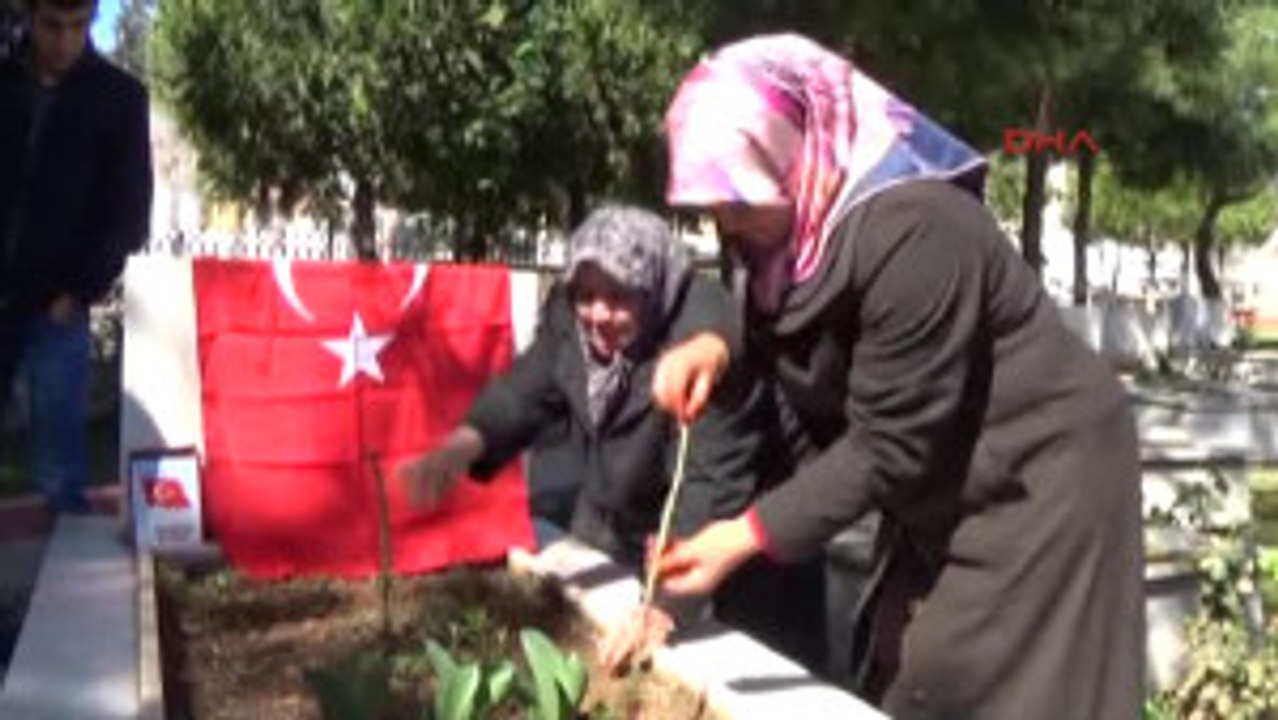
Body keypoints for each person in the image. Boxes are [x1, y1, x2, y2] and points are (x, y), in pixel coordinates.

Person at [648, 34, 1145, 719]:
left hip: (1040, 478)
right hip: (942, 474)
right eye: (710, 204)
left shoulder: (920, 232)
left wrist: (738, 539)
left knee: (985, 681)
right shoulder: (786, 239)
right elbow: (788, 324)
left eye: (737, 198)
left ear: (794, 154)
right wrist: (717, 346)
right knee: (900, 662)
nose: (723, 220)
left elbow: (889, 443)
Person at [398, 204, 826, 674]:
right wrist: (464, 445)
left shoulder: (703, 334)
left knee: (759, 660)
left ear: (652, 288)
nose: (598, 313)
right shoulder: (570, 316)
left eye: (619, 296)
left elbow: (710, 480)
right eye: (586, 294)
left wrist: (663, 606)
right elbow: (530, 385)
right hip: (628, 503)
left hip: (747, 532)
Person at [0, 0, 152, 514]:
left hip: (56, 309)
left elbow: (128, 215)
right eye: (52, 26)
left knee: (58, 476)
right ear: (28, 16)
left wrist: (78, 292)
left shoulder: (119, 98)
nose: (65, 41)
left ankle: (62, 595)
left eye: (78, 26)